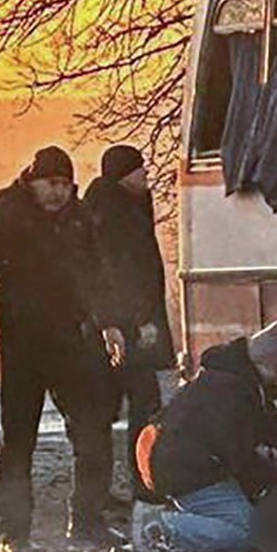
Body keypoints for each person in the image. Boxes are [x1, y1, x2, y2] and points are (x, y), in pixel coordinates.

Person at [0, 146, 123, 552]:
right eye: (52, 184)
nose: (58, 193)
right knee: (18, 440)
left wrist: (110, 323)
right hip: (20, 341)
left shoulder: (78, 219)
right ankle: (14, 535)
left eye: (66, 185)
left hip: (71, 339)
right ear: (33, 181)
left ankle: (87, 523)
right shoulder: (4, 213)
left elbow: (97, 273)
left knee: (92, 430)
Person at [135, 322, 277, 552]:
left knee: (241, 519)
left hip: (183, 463)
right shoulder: (230, 393)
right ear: (263, 364)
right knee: (246, 532)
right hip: (183, 470)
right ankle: (163, 527)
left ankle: (183, 519)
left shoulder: (237, 381)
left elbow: (275, 427)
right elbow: (238, 458)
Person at [81, 144, 173, 503]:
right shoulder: (112, 215)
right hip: (121, 331)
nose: (146, 175)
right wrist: (133, 321)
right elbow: (116, 275)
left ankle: (114, 490)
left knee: (118, 409)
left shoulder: (120, 207)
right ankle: (137, 485)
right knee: (137, 405)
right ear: (122, 175)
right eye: (139, 170)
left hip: (123, 328)